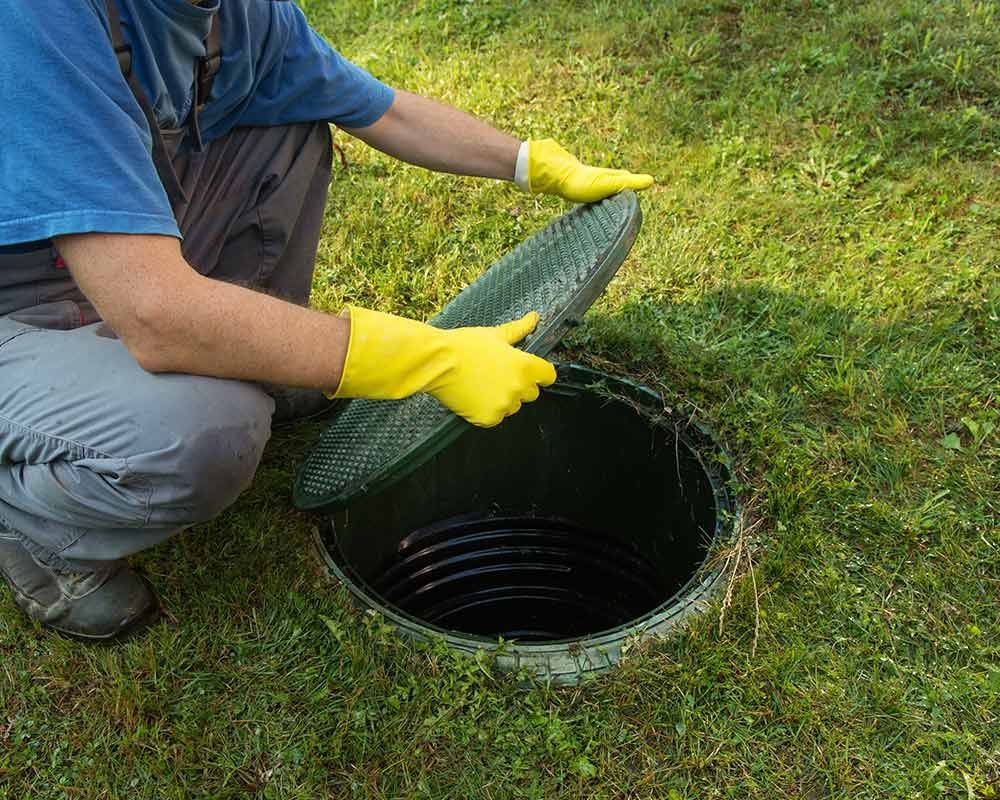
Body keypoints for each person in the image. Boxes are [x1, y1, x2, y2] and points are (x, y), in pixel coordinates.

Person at [0, 0, 654, 642]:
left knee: (286, 126)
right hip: (21, 308)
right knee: (203, 434)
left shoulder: (230, 13)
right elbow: (154, 312)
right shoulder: (36, 19)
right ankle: (33, 531)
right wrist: (420, 357)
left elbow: (381, 109)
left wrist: (530, 162)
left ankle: (246, 366)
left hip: (110, 257)